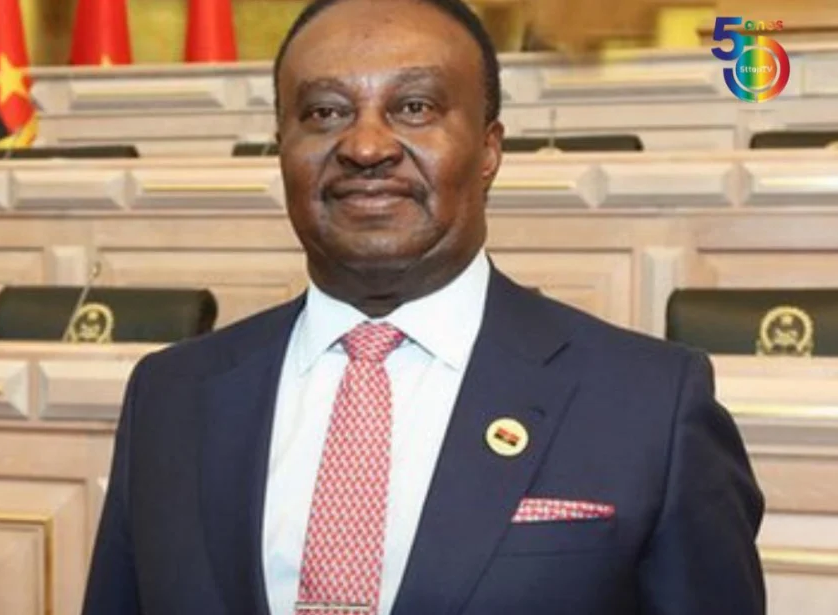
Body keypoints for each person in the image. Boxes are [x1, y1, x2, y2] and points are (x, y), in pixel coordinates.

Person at [82, 0, 765, 613]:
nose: (365, 146)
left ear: (489, 149)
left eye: (414, 107)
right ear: (281, 146)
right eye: (324, 112)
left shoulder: (650, 406)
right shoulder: (170, 397)